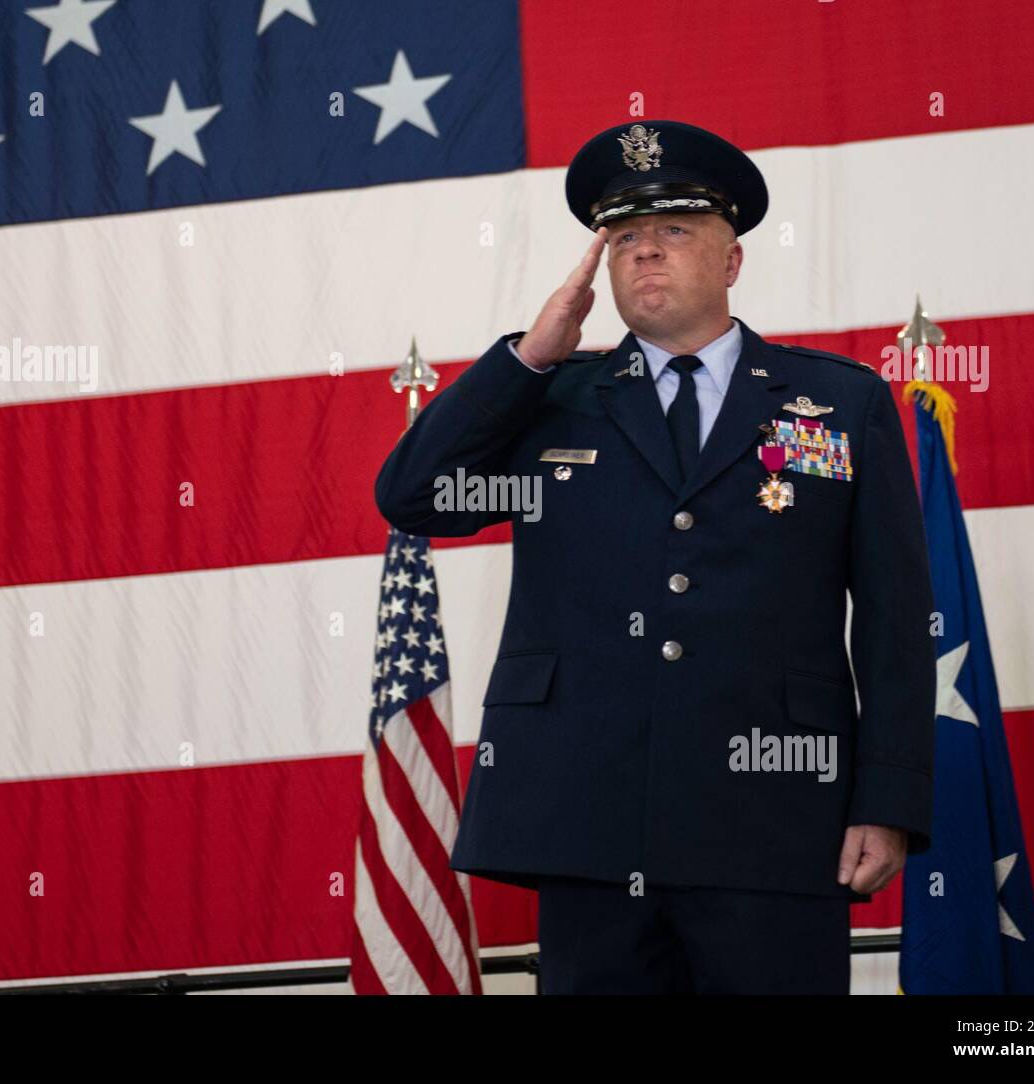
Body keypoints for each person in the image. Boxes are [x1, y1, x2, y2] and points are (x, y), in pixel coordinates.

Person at [375, 120, 935, 994]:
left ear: (731, 260)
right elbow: (412, 496)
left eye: (673, 231)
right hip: (588, 821)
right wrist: (527, 357)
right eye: (626, 237)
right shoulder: (551, 396)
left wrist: (888, 800)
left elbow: (896, 619)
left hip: (774, 816)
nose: (645, 254)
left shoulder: (837, 402)